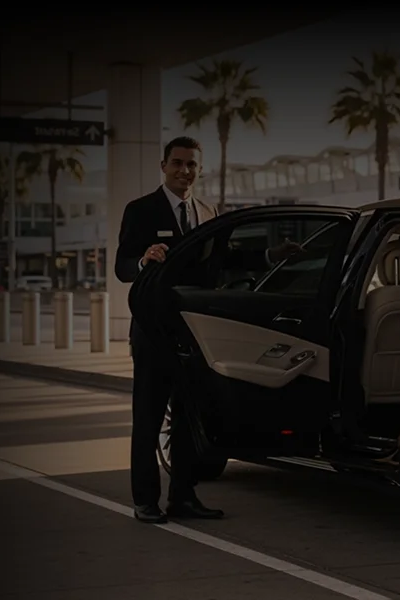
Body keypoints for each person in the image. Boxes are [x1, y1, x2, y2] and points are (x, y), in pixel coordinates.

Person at [114, 136, 298, 523]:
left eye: (191, 165)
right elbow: (122, 266)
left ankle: (183, 497)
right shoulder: (141, 210)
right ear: (164, 166)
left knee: (189, 417)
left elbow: (224, 260)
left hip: (195, 331)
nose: (184, 171)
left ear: (199, 169)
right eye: (177, 163)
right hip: (152, 329)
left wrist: (271, 255)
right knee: (148, 418)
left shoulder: (207, 211)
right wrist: (144, 260)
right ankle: (145, 500)